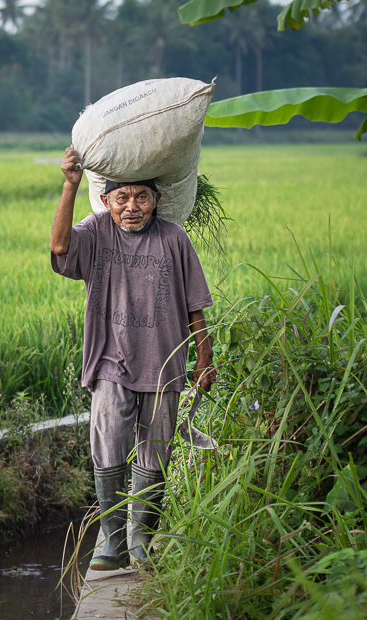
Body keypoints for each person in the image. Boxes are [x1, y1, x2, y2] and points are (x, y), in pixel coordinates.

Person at [49, 146, 216, 570]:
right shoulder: (96, 230)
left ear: (157, 200)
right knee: (107, 443)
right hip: (111, 359)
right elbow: (58, 247)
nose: (131, 207)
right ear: (106, 201)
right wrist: (70, 185)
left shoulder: (175, 239)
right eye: (122, 198)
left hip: (165, 361)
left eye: (141, 197)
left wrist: (204, 358)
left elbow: (195, 305)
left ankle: (139, 538)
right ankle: (111, 540)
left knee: (155, 452)